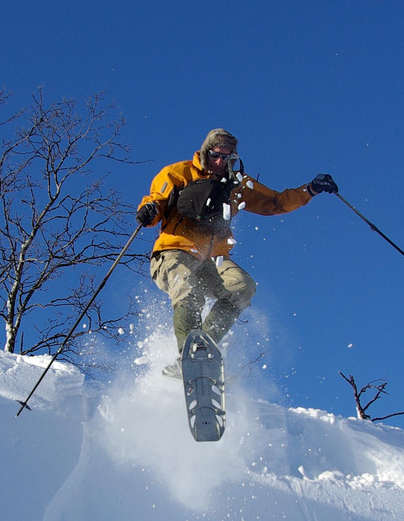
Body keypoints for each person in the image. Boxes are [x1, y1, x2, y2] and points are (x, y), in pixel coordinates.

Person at [137, 128, 337, 374]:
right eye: (215, 156)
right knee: (187, 288)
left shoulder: (237, 184)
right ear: (205, 153)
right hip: (174, 252)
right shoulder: (178, 172)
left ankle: (204, 349)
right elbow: (156, 199)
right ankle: (190, 355)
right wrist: (148, 210)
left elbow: (275, 202)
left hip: (212, 259)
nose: (220, 162)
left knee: (242, 288)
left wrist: (310, 190)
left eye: (227, 157)